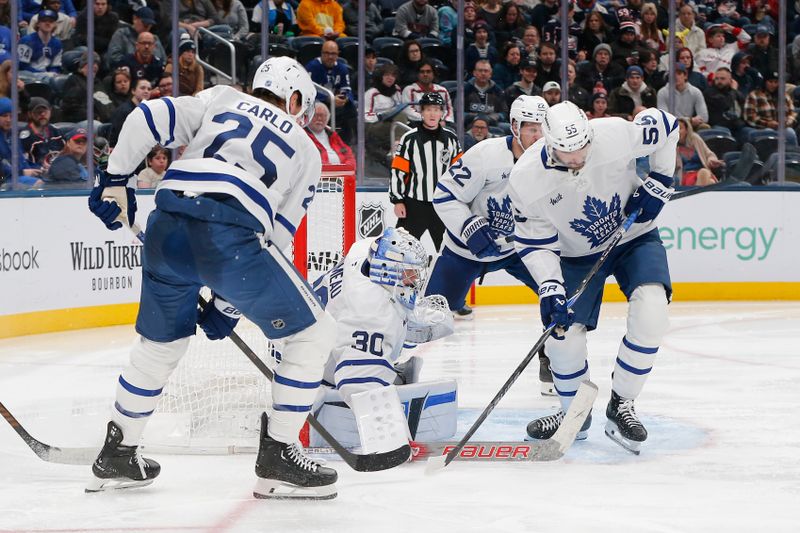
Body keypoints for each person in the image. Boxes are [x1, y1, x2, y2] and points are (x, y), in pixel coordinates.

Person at [85, 56, 340, 499]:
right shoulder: (305, 147)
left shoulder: (220, 98)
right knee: (313, 335)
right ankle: (280, 454)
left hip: (166, 228)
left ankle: (119, 451)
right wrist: (228, 305)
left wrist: (114, 178)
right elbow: (276, 234)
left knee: (159, 347)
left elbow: (147, 115)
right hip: (231, 235)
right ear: (295, 99)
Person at [508, 101, 679, 454]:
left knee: (652, 310)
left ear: (589, 132)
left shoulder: (614, 133)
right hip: (573, 256)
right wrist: (550, 288)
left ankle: (622, 405)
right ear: (549, 143)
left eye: (582, 149)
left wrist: (660, 179)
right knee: (562, 336)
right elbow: (534, 243)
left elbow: (667, 125)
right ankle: (575, 413)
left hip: (634, 235)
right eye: (567, 153)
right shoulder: (525, 178)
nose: (577, 158)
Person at [428, 95, 556, 393]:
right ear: (514, 126)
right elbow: (445, 196)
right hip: (466, 251)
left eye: (542, 129)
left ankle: (553, 362)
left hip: (517, 250)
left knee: (559, 295)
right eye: (531, 129)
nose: (538, 136)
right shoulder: (484, 155)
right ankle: (396, 368)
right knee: (428, 315)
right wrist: (468, 227)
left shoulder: (550, 161)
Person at [310, 227, 455, 450]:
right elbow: (358, 384)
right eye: (409, 272)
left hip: (307, 338)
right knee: (366, 377)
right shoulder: (372, 314)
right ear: (387, 269)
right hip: (312, 371)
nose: (415, 278)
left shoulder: (363, 252)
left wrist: (401, 323)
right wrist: (393, 439)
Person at [390, 92, 461, 255]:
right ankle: (400, 280)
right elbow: (398, 171)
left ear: (442, 113)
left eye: (436, 109)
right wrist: (397, 200)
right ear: (421, 112)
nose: (432, 113)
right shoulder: (409, 139)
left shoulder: (452, 139)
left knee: (449, 252)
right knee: (401, 249)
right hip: (414, 204)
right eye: (428, 109)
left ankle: (447, 281)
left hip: (442, 204)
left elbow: (459, 173)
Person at [305, 40, 356, 144]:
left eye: (333, 54)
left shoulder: (342, 68)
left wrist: (344, 99)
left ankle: (349, 143)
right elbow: (306, 90)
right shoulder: (312, 67)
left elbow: (347, 89)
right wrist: (327, 98)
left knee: (351, 108)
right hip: (317, 103)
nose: (330, 57)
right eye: (327, 53)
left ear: (338, 55)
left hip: (335, 104)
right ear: (322, 53)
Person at [743, 71, 798, 145]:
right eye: (770, 82)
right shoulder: (754, 95)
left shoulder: (784, 95)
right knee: (769, 132)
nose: (773, 85)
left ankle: (792, 154)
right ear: (765, 82)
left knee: (790, 132)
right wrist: (767, 124)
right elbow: (749, 117)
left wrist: (787, 123)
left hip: (783, 127)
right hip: (762, 127)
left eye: (776, 82)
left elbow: (792, 113)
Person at [0, 97, 41, 187]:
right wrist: (22, 172)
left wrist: (38, 168)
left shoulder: (13, 135)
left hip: (18, 176)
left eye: (12, 116)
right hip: (5, 180)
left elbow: (22, 160)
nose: (8, 120)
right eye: (4, 116)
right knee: (38, 184)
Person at [656, 64, 709, 131]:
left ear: (685, 76)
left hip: (690, 127)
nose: (675, 77)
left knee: (705, 127)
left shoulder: (695, 92)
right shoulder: (662, 92)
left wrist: (687, 122)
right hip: (671, 128)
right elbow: (664, 119)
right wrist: (689, 120)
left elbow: (704, 117)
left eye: (679, 73)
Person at [401, 60, 454, 125]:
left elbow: (449, 111)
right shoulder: (409, 90)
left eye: (428, 72)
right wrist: (429, 120)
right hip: (418, 124)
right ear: (417, 74)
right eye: (422, 72)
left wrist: (443, 121)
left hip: (442, 123)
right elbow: (408, 112)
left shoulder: (443, 91)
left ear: (433, 74)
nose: (425, 74)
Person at [305, 101, 355, 168]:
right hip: (321, 174)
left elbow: (348, 154)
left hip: (340, 174)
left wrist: (346, 167)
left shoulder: (332, 135)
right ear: (309, 117)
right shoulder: (303, 135)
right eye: (316, 115)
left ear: (328, 118)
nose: (319, 119)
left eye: (323, 116)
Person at [676, 117, 723, 187]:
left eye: (680, 129)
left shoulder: (695, 139)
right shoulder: (672, 146)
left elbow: (709, 154)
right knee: (710, 182)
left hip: (702, 173)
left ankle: (695, 193)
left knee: (705, 174)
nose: (677, 132)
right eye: (675, 129)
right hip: (686, 175)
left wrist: (711, 160)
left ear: (686, 130)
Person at [17, 9, 62, 82]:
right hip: (28, 75)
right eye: (44, 21)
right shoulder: (26, 41)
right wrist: (43, 74)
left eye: (51, 21)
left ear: (54, 24)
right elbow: (22, 65)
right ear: (38, 24)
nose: (48, 23)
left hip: (48, 76)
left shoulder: (57, 43)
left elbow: (56, 66)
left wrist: (53, 73)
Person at [20, 97, 64, 170]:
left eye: (45, 111)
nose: (42, 114)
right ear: (30, 114)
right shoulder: (25, 137)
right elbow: (24, 163)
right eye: (38, 112)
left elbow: (67, 153)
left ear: (50, 112)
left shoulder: (56, 131)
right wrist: (41, 168)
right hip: (38, 173)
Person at [108, 78, 152, 147]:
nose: (146, 91)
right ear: (133, 91)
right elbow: (117, 138)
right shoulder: (124, 111)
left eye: (149, 89)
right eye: (142, 88)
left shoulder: (147, 111)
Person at [464, 60, 508, 126]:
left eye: (486, 71)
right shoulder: (465, 89)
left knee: (507, 127)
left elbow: (504, 113)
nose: (483, 73)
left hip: (491, 124)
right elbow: (457, 112)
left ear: (490, 74)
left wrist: (491, 118)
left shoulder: (497, 91)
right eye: (480, 70)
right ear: (474, 73)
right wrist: (476, 117)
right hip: (469, 124)